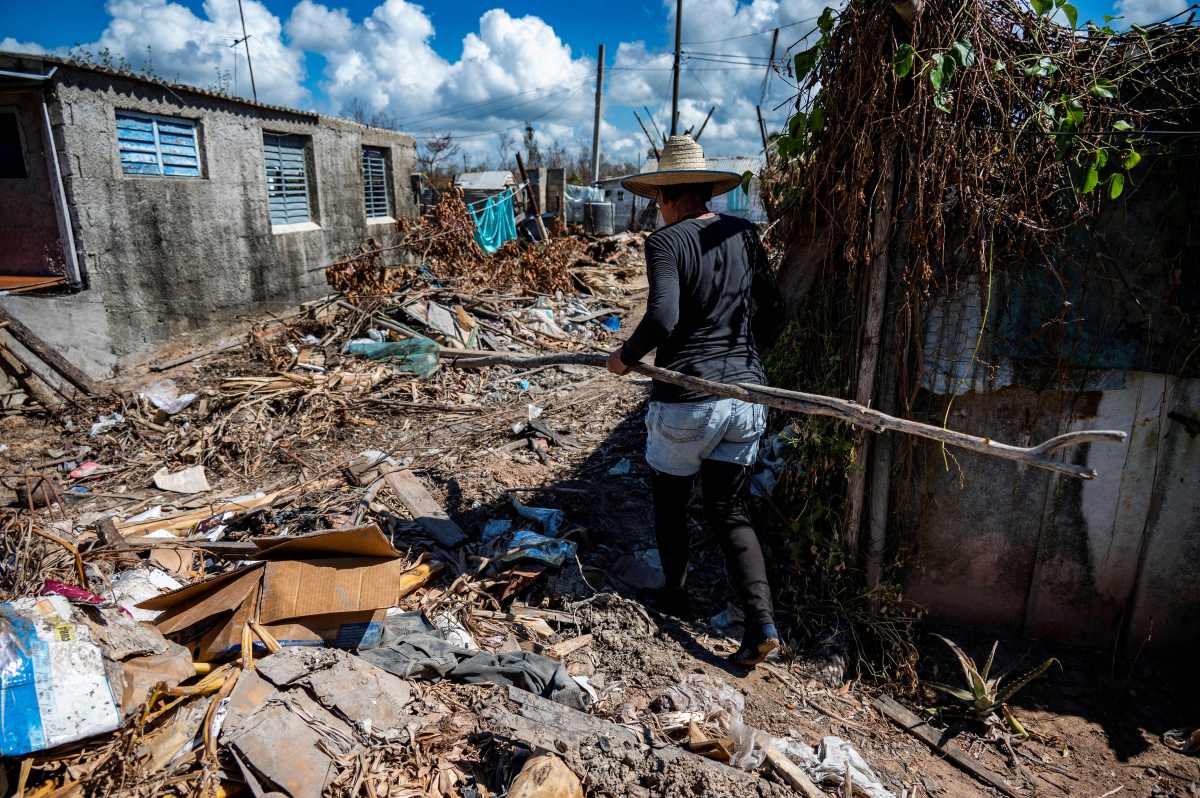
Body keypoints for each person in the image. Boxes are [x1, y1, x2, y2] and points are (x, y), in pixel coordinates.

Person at [606, 135, 785, 667]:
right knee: (730, 510)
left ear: (667, 197)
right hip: (746, 395)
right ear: (706, 189)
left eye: (657, 202)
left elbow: (663, 318)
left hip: (687, 396)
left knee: (670, 501)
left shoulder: (666, 243)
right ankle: (762, 626)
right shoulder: (745, 234)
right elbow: (774, 310)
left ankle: (676, 596)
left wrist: (623, 357)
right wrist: (746, 360)